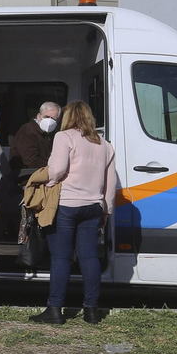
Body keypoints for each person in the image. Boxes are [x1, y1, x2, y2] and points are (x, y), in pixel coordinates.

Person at [30, 101, 118, 325]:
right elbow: (110, 182)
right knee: (89, 258)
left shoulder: (64, 137)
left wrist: (48, 183)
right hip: (93, 207)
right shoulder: (104, 144)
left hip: (67, 204)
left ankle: (55, 309)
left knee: (61, 258)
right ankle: (91, 310)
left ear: (67, 117)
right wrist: (106, 210)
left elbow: (57, 169)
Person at [10, 102, 62, 175]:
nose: (49, 121)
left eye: (53, 119)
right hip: (27, 176)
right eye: (46, 117)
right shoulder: (28, 130)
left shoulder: (50, 133)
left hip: (41, 173)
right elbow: (30, 160)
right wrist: (52, 168)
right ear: (38, 116)